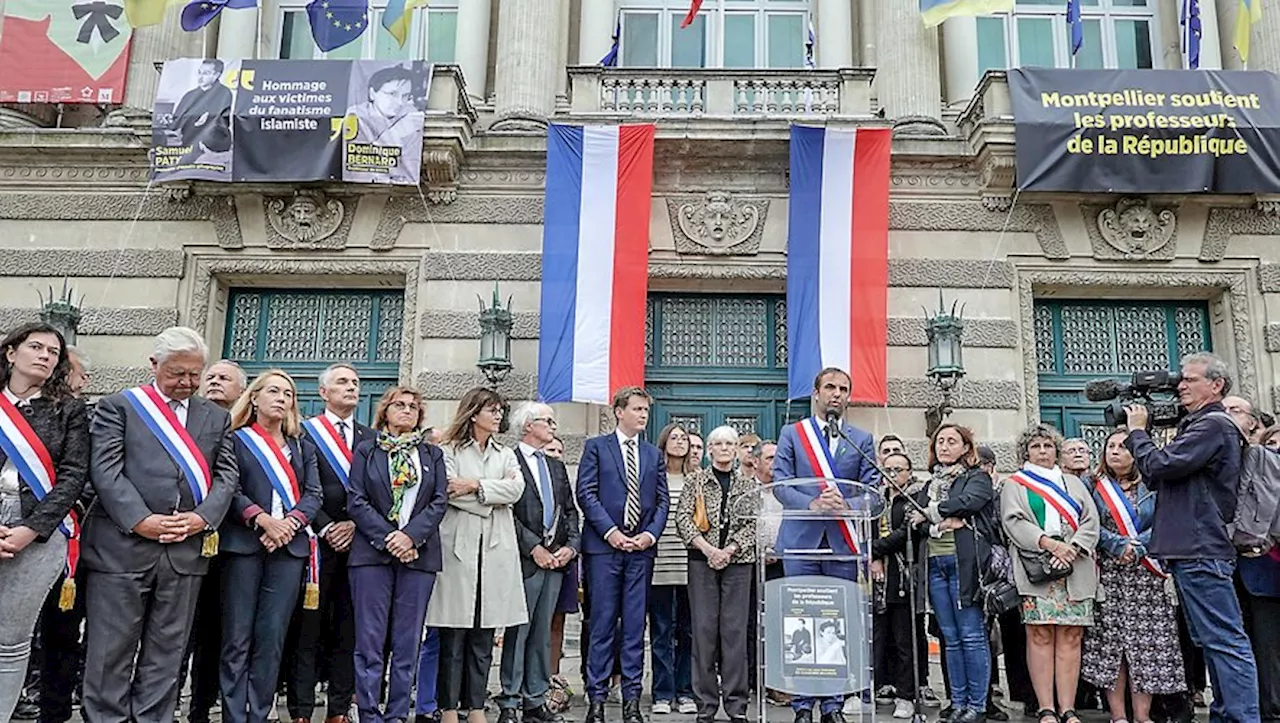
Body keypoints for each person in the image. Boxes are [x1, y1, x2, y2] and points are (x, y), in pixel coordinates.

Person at [80, 326, 239, 723]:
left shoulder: (215, 417)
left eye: (193, 374)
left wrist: (202, 518)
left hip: (184, 552)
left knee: (167, 653)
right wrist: (141, 520)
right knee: (109, 652)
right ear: (154, 365)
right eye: (177, 373)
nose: (187, 382)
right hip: (121, 549)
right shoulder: (119, 406)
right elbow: (105, 470)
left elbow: (227, 476)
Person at [1123, 352, 1258, 723]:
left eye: (1190, 379)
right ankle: (1226, 713)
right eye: (1180, 379)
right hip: (1190, 549)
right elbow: (1160, 476)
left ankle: (1242, 717)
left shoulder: (1214, 425)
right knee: (1209, 642)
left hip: (1201, 547)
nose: (1180, 385)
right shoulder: (1198, 424)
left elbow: (1160, 465)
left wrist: (1137, 431)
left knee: (1225, 641)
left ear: (1215, 385)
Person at [772, 367, 879, 723]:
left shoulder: (859, 440)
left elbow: (875, 493)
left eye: (843, 389)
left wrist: (849, 505)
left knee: (836, 622)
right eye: (830, 387)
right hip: (802, 541)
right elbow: (780, 484)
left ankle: (832, 704)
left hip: (842, 543)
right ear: (816, 393)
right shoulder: (792, 433)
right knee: (801, 622)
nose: (837, 394)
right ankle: (803, 704)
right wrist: (812, 504)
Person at [219, 370, 323, 723]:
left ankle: (259, 713)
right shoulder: (235, 440)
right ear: (255, 397)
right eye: (274, 391)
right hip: (245, 547)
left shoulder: (303, 447)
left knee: (272, 637)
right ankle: (234, 714)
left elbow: (314, 495)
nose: (282, 398)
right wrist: (262, 520)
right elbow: (229, 489)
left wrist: (288, 524)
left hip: (288, 551)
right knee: (237, 637)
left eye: (289, 394)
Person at [0, 323, 89, 723]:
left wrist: (30, 529)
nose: (45, 356)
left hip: (37, 532)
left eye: (53, 353)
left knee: (11, 640)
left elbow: (73, 475)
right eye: (36, 347)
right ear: (11, 353)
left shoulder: (68, 410)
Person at [347, 386, 447, 723]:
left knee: (407, 643)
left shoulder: (432, 455)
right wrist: (390, 537)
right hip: (371, 556)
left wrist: (410, 537)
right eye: (399, 405)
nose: (407, 411)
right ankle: (369, 714)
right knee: (370, 641)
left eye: (414, 407)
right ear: (384, 412)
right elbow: (356, 500)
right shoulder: (366, 451)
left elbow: (439, 502)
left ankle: (397, 714)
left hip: (418, 557)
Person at [428, 387, 527, 723]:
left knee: (484, 637)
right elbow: (449, 491)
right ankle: (449, 708)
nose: (498, 416)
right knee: (453, 635)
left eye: (501, 410)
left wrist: (476, 486)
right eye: (491, 410)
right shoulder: (449, 450)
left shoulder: (507, 454)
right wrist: (491, 494)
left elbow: (516, 489)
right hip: (459, 547)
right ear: (473, 413)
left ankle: (476, 707)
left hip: (496, 550)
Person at [577, 386, 669, 723]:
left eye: (646, 410)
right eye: (637, 409)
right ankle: (597, 699)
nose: (643, 415)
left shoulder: (652, 455)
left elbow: (662, 501)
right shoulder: (596, 448)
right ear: (619, 411)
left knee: (634, 627)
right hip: (604, 550)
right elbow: (586, 493)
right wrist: (611, 532)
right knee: (601, 624)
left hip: (641, 553)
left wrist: (648, 535)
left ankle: (632, 700)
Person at [1081, 428, 1186, 723]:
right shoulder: (1092, 485)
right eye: (1110, 446)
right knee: (1113, 646)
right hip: (1110, 574)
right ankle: (1118, 715)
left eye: (1123, 447)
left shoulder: (1155, 485)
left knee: (1146, 646)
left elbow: (1169, 519)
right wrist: (1116, 544)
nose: (1115, 451)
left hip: (1147, 575)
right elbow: (1086, 522)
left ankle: (1142, 715)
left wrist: (1137, 547)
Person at [287, 363, 372, 723]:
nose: (351, 388)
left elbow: (378, 493)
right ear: (323, 393)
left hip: (358, 545)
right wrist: (325, 527)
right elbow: (297, 486)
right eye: (342, 382)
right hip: (315, 546)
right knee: (308, 630)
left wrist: (353, 524)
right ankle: (302, 710)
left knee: (348, 630)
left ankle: (338, 709)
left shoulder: (371, 438)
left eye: (355, 383)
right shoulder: (304, 434)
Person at [1001, 424, 1100, 723]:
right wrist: (1048, 544)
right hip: (1037, 568)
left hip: (1076, 566)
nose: (1042, 451)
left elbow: (1091, 520)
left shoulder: (1073, 482)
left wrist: (1073, 546)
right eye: (1036, 447)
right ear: (1026, 452)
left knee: (1071, 637)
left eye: (1047, 446)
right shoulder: (1015, 484)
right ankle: (1046, 707)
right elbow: (1013, 522)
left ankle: (1067, 708)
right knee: (1040, 635)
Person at [906, 424, 997, 723]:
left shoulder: (977, 477)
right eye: (940, 442)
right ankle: (957, 702)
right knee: (951, 637)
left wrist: (932, 513)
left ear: (965, 448)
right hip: (934, 565)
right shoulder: (927, 485)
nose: (945, 447)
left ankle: (978, 706)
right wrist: (943, 521)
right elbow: (912, 519)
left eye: (952, 441)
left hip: (964, 564)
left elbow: (969, 502)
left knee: (971, 635)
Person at [497, 403, 581, 723]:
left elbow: (569, 511)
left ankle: (535, 700)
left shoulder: (555, 466)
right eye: (547, 421)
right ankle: (509, 700)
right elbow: (506, 511)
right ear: (528, 425)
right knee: (519, 630)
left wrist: (570, 547)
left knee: (542, 633)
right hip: (523, 560)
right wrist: (534, 548)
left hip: (556, 562)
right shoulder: (509, 460)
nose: (553, 427)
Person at [23, 346, 92, 723]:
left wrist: (40, 522)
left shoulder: (88, 416)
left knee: (60, 633)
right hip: (11, 530)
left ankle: (54, 707)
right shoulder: (17, 411)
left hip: (65, 539)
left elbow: (83, 478)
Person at [674, 425, 757, 723]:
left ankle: (737, 706)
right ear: (709, 450)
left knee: (734, 634)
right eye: (718, 443)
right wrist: (709, 550)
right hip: (701, 562)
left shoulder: (749, 484)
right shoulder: (695, 481)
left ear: (736, 450)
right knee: (704, 633)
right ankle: (705, 706)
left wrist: (730, 549)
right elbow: (683, 518)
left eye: (729, 443)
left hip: (739, 563)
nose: (724, 448)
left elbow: (754, 523)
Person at [181, 358, 248, 723]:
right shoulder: (184, 423)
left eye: (225, 378)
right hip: (180, 536)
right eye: (211, 377)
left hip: (230, 544)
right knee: (177, 630)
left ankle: (201, 706)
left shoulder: (246, 431)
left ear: (242, 390)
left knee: (215, 631)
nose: (215, 382)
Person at [870, 452, 931, 720]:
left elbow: (908, 531)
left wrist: (871, 551)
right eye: (888, 470)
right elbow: (866, 528)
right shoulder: (875, 500)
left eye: (898, 469)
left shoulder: (914, 499)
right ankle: (878, 686)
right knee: (878, 637)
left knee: (904, 638)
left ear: (909, 472)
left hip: (903, 577)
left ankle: (907, 695)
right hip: (876, 580)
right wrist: (872, 559)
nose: (892, 475)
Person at [648, 423, 695, 717]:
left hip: (691, 566)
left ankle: (686, 691)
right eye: (674, 438)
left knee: (688, 633)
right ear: (664, 443)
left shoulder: (697, 479)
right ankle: (662, 693)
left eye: (684, 438)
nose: (679, 442)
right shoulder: (654, 478)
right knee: (661, 632)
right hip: (660, 565)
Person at [344, 64, 423, 184]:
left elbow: (411, 162)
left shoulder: (410, 114)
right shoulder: (355, 115)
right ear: (372, 94)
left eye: (405, 96)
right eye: (392, 94)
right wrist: (399, 131)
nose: (400, 102)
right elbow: (354, 162)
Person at [166, 58, 232, 167]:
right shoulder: (189, 95)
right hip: (188, 138)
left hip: (213, 137)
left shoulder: (224, 93)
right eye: (200, 73)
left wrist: (207, 118)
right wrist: (170, 120)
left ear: (217, 75)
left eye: (206, 74)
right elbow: (177, 120)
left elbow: (220, 120)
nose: (201, 77)